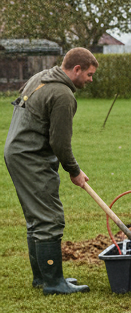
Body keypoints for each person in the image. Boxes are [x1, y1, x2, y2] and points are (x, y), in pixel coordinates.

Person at [4, 47, 97, 295]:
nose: (90, 79)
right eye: (89, 74)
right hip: (31, 157)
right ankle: (54, 283)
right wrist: (74, 171)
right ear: (76, 69)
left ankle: (43, 278)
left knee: (36, 218)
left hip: (17, 152)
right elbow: (60, 143)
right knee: (49, 217)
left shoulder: (42, 76)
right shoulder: (63, 95)